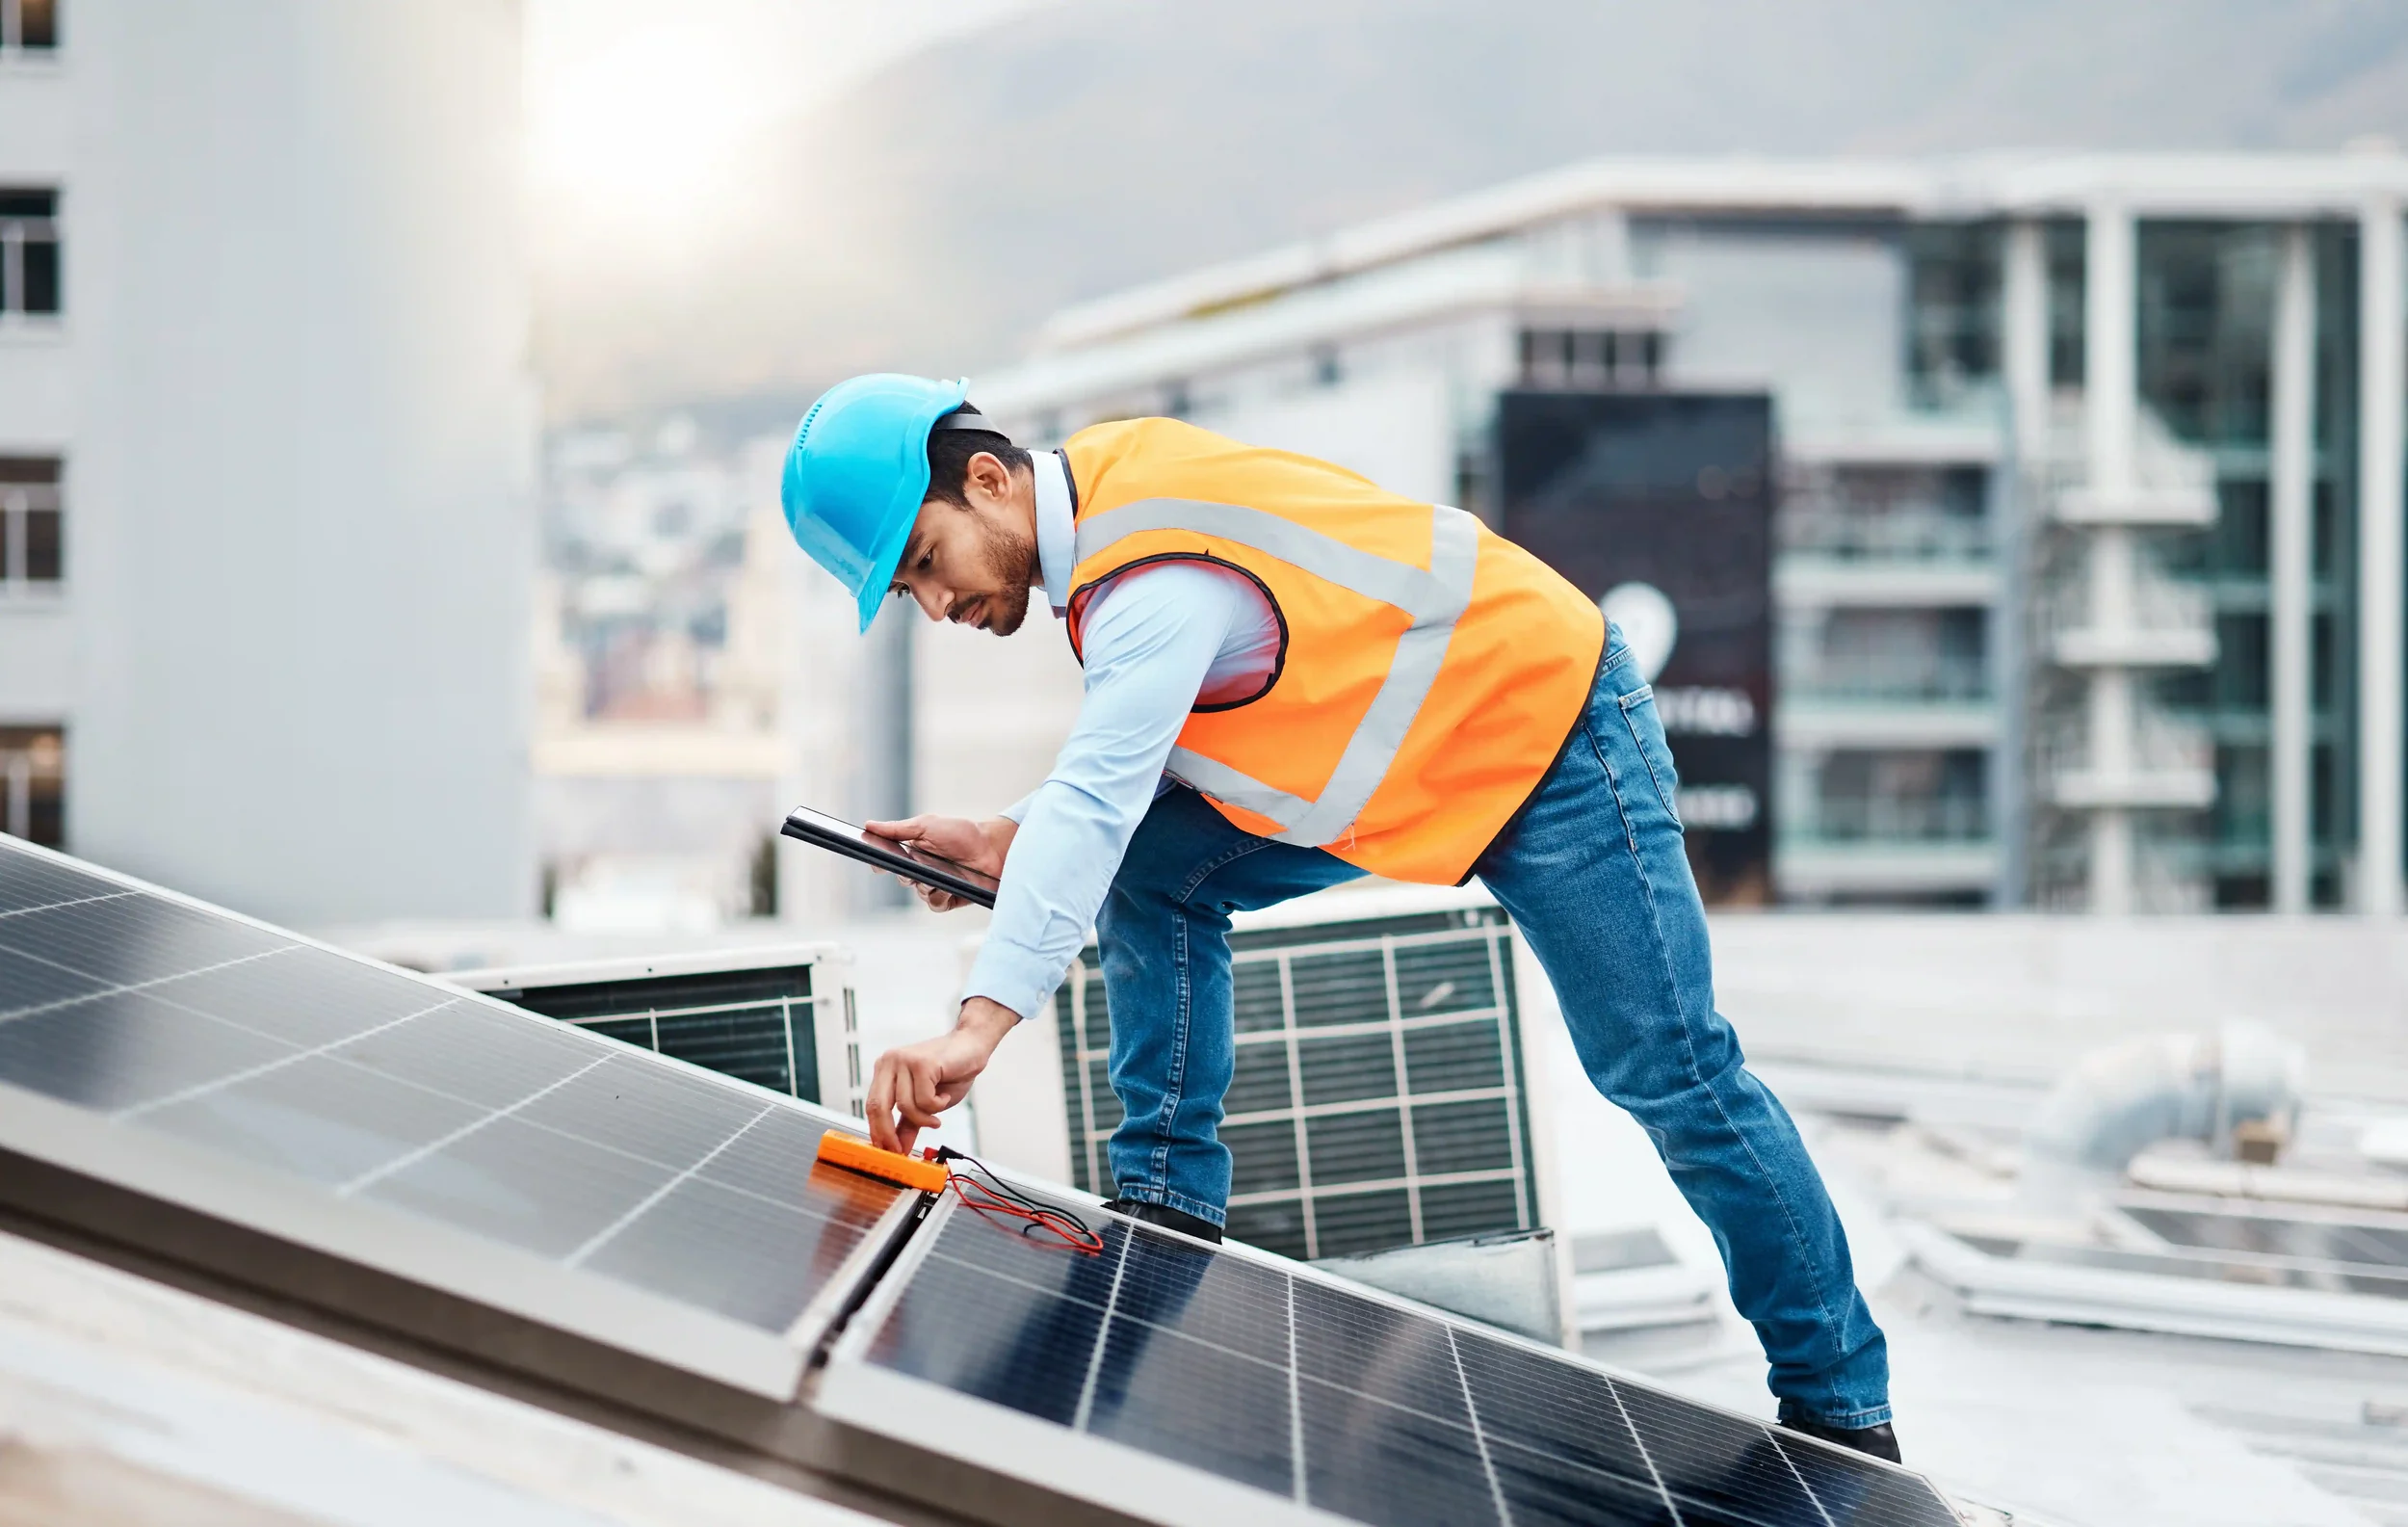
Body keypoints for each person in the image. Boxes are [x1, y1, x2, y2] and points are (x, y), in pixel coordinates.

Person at [779, 373, 1898, 1461]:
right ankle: (1167, 1209)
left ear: (986, 480)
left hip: (1549, 735)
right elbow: (1148, 752)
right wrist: (1003, 836)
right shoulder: (1113, 518)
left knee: (1673, 1075)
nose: (937, 605)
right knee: (1157, 876)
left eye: (926, 564)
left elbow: (1101, 787)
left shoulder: (1146, 567)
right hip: (1410, 758)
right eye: (910, 595)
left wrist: (979, 1023)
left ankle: (1842, 1409)